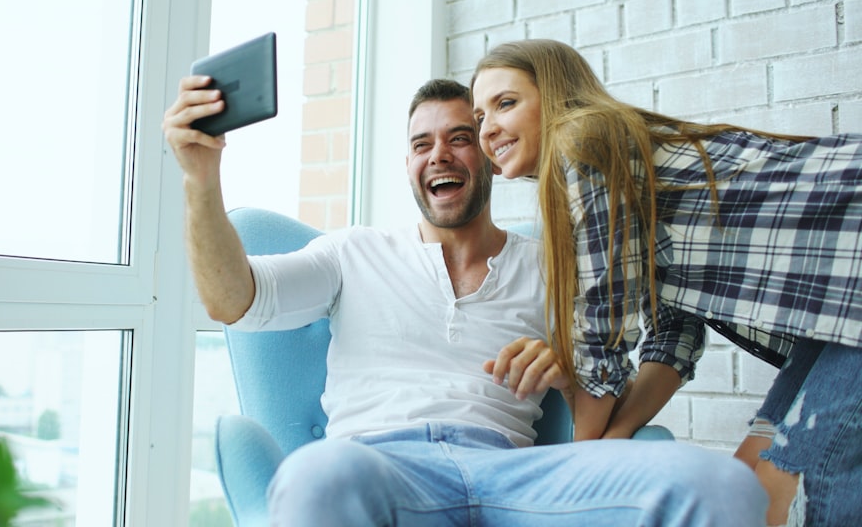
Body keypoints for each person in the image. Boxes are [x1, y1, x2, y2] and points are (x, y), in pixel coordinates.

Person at [164, 73, 767, 526]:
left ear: (491, 155)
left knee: (721, 485)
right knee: (317, 473)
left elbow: (603, 398)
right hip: (379, 466)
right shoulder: (350, 253)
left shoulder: (558, 268)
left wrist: (566, 369)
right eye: (422, 144)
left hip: (516, 475)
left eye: (460, 137)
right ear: (408, 164)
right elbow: (232, 300)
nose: (440, 155)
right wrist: (200, 180)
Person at [471, 38, 862, 527]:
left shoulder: (583, 138)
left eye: (505, 103)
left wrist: (577, 468)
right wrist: (613, 441)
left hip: (854, 259)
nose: (488, 128)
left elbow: (602, 324)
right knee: (744, 490)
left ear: (554, 97)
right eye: (480, 116)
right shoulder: (611, 164)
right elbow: (675, 332)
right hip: (838, 306)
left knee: (800, 493)